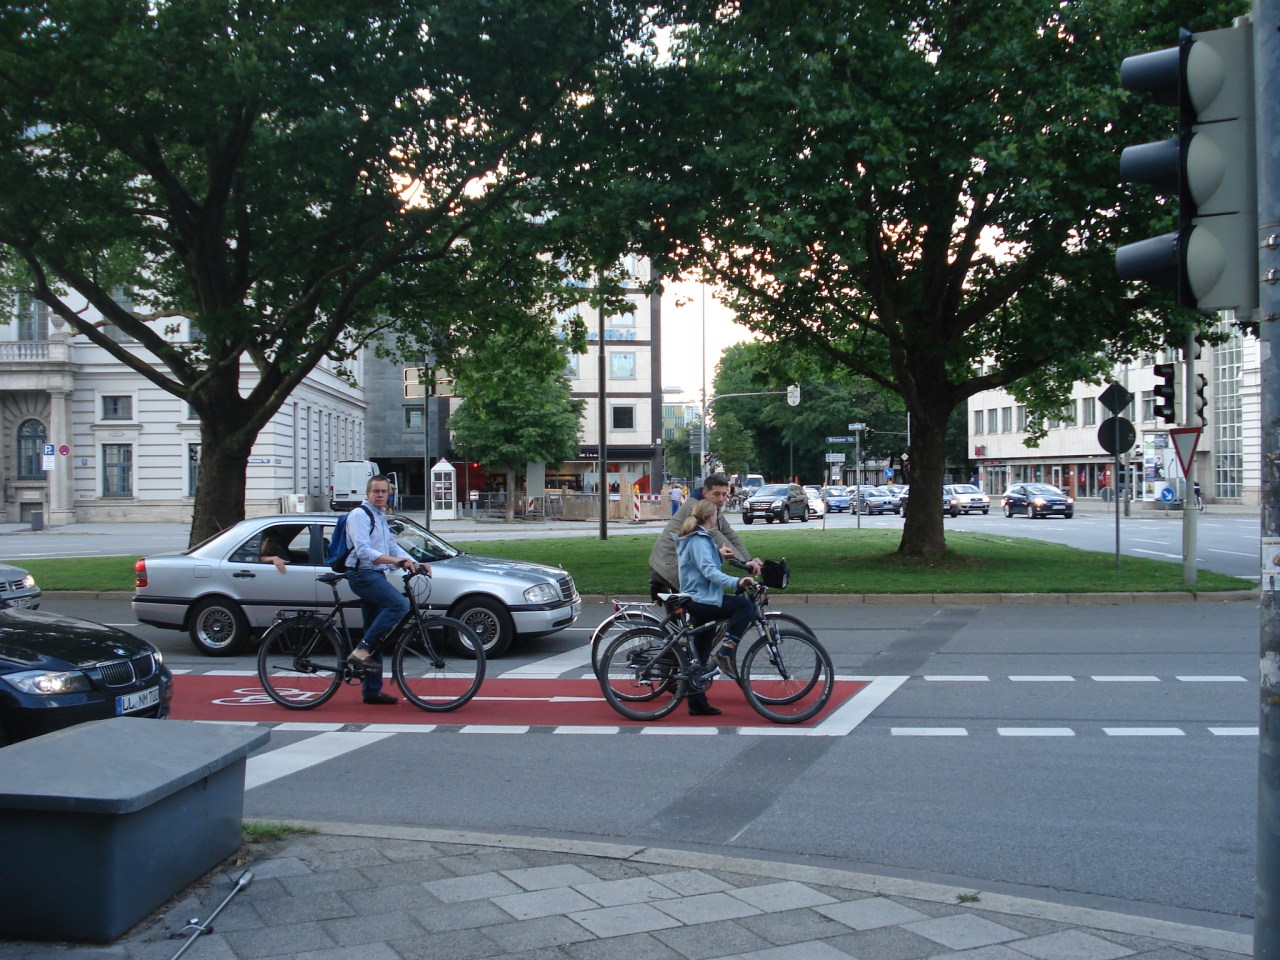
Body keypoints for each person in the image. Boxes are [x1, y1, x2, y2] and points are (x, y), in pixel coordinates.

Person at [345, 474, 430, 705]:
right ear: (367, 493)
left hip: (375, 574)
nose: (381, 495)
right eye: (376, 491)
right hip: (362, 574)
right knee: (399, 605)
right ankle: (361, 651)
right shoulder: (359, 516)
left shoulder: (380, 516)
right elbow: (363, 551)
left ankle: (371, 691)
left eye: (384, 491)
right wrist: (396, 561)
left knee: (377, 631)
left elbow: (392, 546)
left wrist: (414, 562)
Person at [674, 498, 756, 715]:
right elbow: (709, 572)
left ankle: (697, 703)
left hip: (700, 597)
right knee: (745, 607)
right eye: (717, 514)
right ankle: (726, 651)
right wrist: (737, 582)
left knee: (700, 653)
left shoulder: (699, 538)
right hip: (701, 599)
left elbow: (701, 563)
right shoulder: (700, 539)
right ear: (712, 517)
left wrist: (719, 554)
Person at [649, 473, 762, 598]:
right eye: (716, 494)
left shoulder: (712, 507)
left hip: (680, 563)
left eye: (724, 494)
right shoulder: (698, 508)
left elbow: (729, 534)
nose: (721, 499)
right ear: (705, 493)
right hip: (669, 565)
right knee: (705, 603)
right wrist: (743, 562)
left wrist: (748, 559)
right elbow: (717, 536)